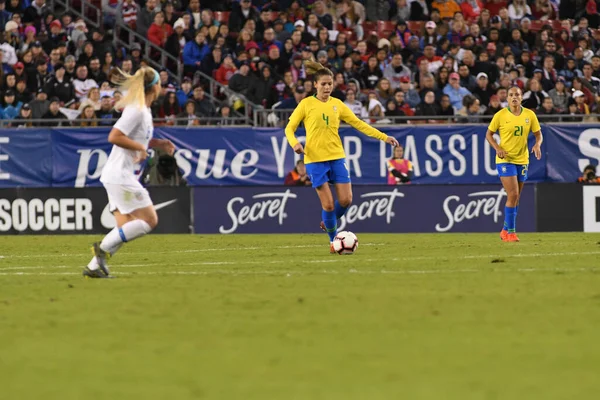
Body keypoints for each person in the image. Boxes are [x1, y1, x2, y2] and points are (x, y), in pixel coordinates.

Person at [284, 59, 400, 253]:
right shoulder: (306, 104)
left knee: (346, 200)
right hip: (314, 160)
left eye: (330, 84)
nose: (327, 87)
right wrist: (295, 143)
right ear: (315, 85)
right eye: (323, 84)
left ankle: (328, 222)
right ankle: (333, 240)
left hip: (337, 156)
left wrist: (384, 137)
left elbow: (359, 123)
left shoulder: (338, 105)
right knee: (328, 204)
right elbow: (289, 128)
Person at [83, 66, 176, 279]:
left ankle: (94, 266)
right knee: (149, 220)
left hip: (116, 176)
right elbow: (114, 136)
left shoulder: (144, 110)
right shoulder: (137, 110)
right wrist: (141, 148)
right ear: (155, 87)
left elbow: (136, 137)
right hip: (120, 175)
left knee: (125, 228)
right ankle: (101, 248)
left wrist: (157, 143)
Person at [485, 86, 543, 243]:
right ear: (507, 98)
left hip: (522, 159)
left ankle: (504, 230)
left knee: (516, 198)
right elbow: (489, 134)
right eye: (511, 95)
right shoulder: (501, 115)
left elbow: (538, 134)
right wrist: (497, 148)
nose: (514, 97)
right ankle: (511, 233)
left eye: (517, 94)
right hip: (505, 159)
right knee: (513, 195)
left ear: (521, 97)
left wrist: (537, 144)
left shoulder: (529, 115)